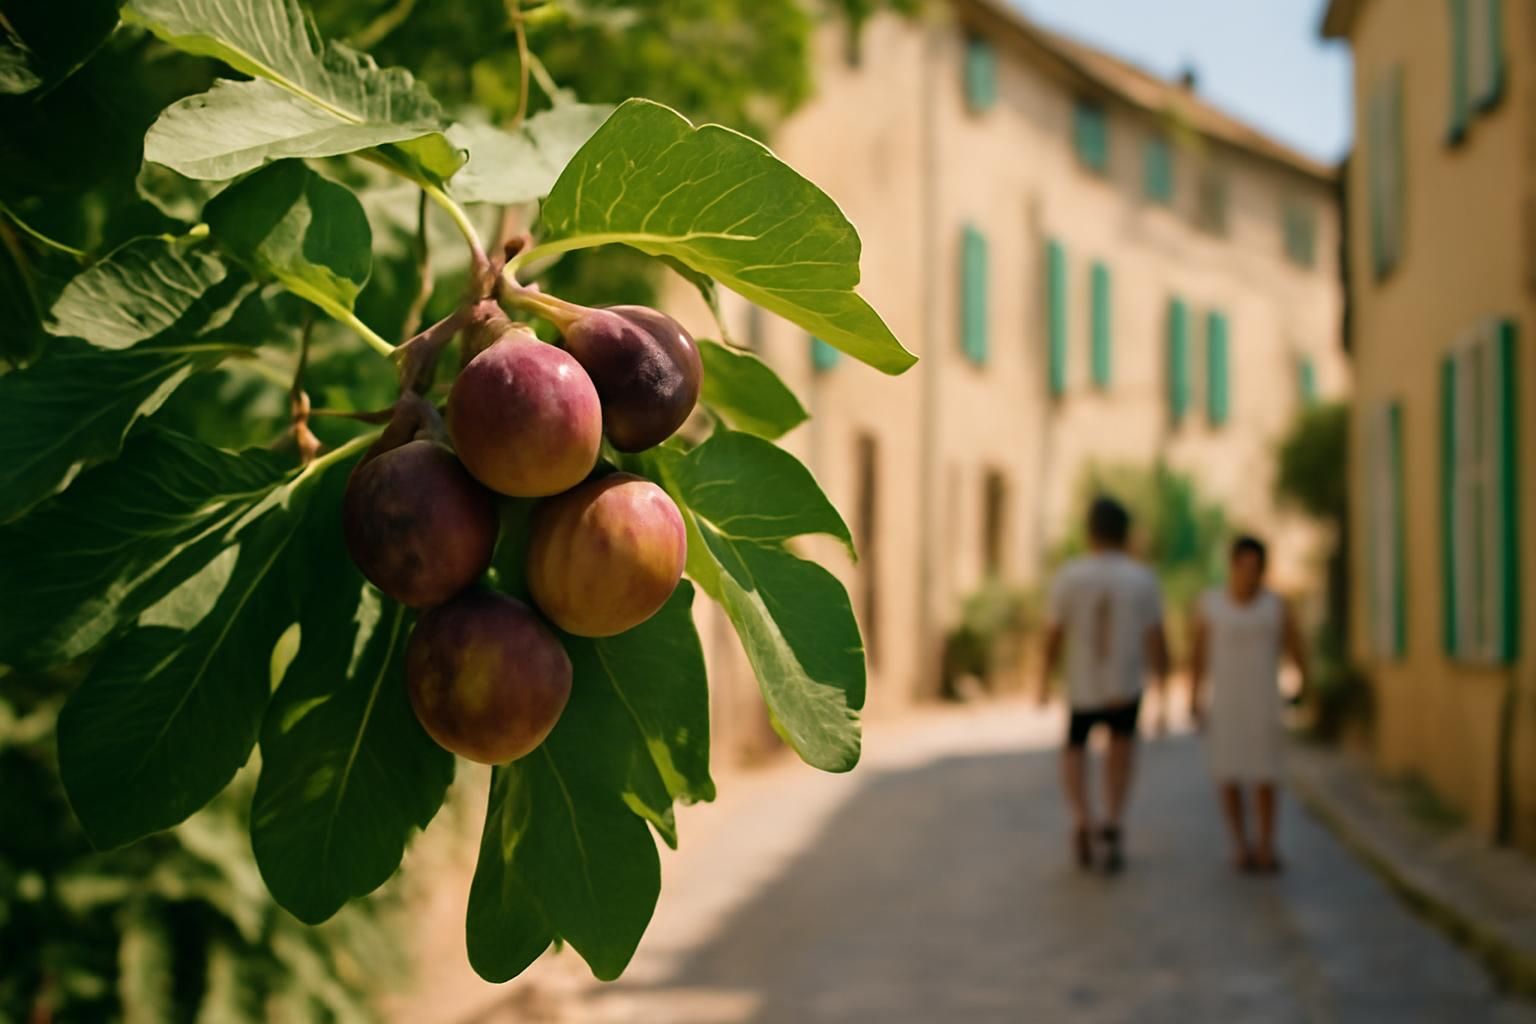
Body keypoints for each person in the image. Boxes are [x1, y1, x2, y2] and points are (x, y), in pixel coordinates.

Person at [1038, 496, 1169, 874]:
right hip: (1124, 682)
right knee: (1121, 748)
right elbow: (1157, 637)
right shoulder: (1142, 578)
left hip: (1082, 683)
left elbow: (1054, 633)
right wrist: (1161, 691)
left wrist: (1044, 680)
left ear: (1090, 530)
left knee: (1076, 748)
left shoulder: (1070, 575)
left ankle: (1082, 817)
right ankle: (1112, 821)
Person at [1188, 535, 1311, 874]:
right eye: (1242, 566)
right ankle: (1240, 843)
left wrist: (1304, 686)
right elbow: (1197, 653)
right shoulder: (1211, 605)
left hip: (1264, 703)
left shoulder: (1275, 606)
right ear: (1232, 566)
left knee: (1265, 775)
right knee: (1228, 774)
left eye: (1255, 567)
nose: (1248, 574)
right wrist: (1194, 696)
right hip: (1226, 703)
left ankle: (1266, 843)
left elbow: (1296, 646)